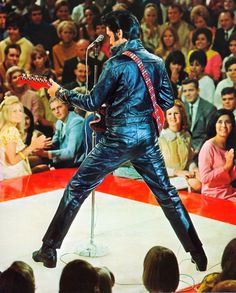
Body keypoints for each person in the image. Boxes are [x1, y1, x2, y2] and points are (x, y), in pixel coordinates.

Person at [32, 10, 207, 271]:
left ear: (121, 33)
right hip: (146, 137)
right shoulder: (157, 62)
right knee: (168, 195)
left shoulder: (115, 64)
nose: (107, 41)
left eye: (109, 36)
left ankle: (49, 249)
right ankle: (198, 253)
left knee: (77, 187)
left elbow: (91, 102)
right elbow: (168, 102)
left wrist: (61, 92)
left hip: (118, 138)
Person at [0, 96, 51, 180]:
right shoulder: (11, 130)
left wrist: (33, 147)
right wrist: (32, 146)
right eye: (14, 111)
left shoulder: (6, 129)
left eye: (20, 110)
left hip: (10, 177)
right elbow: (12, 160)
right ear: (6, 114)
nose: (19, 113)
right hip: (14, 178)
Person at [159, 100, 201, 192]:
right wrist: (176, 172)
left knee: (201, 180)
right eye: (169, 114)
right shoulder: (159, 137)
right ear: (165, 116)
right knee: (197, 185)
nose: (173, 117)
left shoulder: (186, 135)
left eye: (176, 113)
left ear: (182, 115)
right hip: (165, 179)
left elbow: (189, 161)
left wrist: (194, 169)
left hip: (183, 176)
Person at [35, 97, 85, 168]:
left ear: (67, 105)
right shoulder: (59, 122)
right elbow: (54, 144)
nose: (57, 111)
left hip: (76, 164)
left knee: (39, 166)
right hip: (64, 162)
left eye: (59, 107)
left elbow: (70, 153)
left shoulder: (77, 122)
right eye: (53, 109)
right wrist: (42, 145)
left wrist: (45, 154)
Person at [198, 109, 236, 201]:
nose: (223, 125)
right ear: (214, 125)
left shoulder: (230, 145)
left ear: (232, 126)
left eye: (227, 122)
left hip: (228, 191)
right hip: (213, 195)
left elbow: (228, 179)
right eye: (220, 122)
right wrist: (225, 167)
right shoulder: (208, 146)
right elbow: (204, 178)